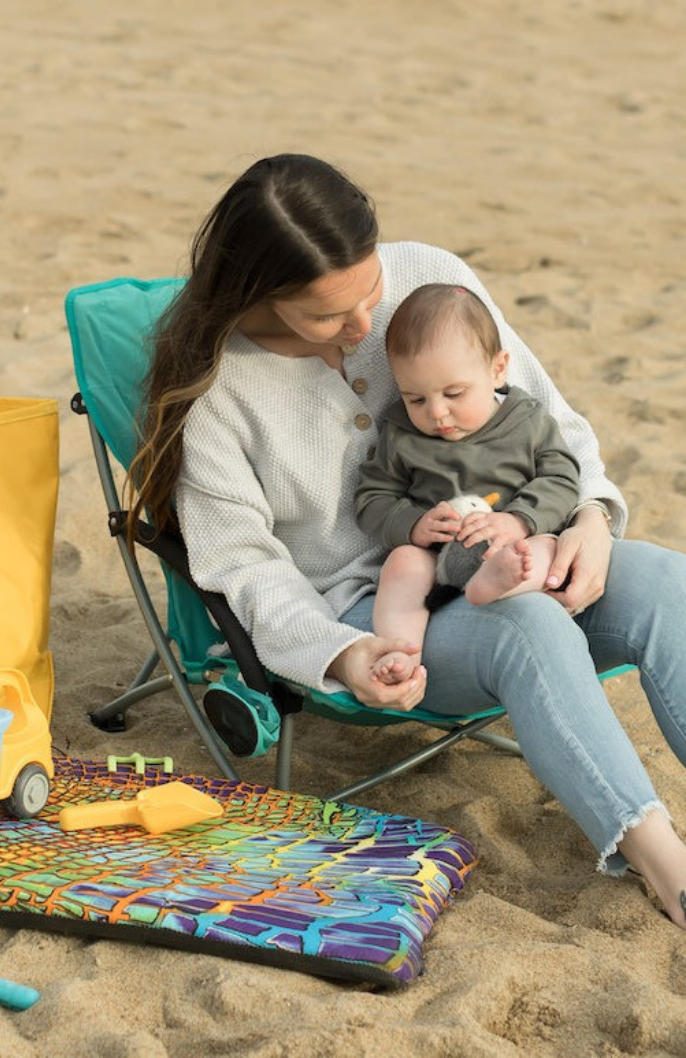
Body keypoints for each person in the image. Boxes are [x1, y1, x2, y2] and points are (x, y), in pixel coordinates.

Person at [127, 153, 686, 929]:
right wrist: (341, 654)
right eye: (328, 317)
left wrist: (589, 516)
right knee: (525, 629)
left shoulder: (429, 276)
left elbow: (543, 416)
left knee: (664, 578)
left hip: (516, 545)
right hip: (376, 613)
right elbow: (243, 568)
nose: (364, 330)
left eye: (370, 294)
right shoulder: (218, 388)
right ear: (260, 294)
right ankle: (668, 869)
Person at [353, 283, 581, 685]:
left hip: (507, 551)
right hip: (438, 560)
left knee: (547, 549)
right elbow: (372, 497)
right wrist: (413, 524)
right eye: (415, 399)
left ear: (498, 369)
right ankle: (398, 652)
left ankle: (493, 586)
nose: (437, 413)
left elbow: (561, 477)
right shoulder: (401, 432)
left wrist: (519, 520)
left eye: (453, 393)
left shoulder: (526, 419)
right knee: (402, 563)